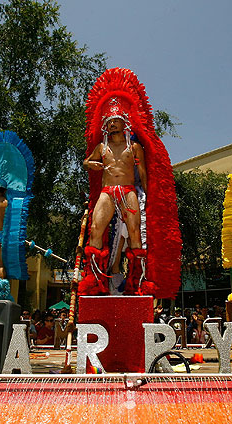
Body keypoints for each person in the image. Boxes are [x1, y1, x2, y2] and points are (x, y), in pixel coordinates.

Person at [81, 106, 150, 295]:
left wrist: (147, 196)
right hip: (107, 191)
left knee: (135, 233)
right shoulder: (101, 147)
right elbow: (86, 162)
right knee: (95, 229)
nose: (111, 124)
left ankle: (136, 281)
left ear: (124, 123)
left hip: (128, 191)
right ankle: (95, 281)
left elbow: (143, 173)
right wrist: (90, 164)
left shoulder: (134, 147)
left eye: (115, 120)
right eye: (109, 122)